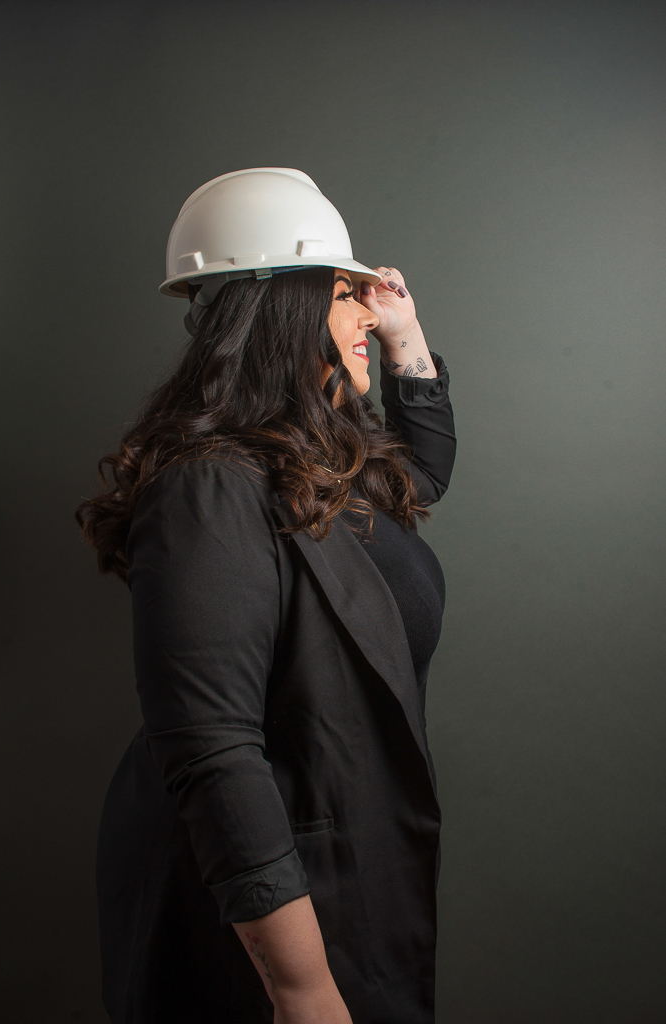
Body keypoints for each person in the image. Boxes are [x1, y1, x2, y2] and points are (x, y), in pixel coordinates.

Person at [76, 168, 457, 1024]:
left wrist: (404, 334)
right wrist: (301, 990)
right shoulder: (207, 487)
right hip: (256, 910)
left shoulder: (319, 458)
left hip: (337, 872)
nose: (368, 314)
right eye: (345, 295)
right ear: (284, 307)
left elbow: (424, 474)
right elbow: (211, 748)